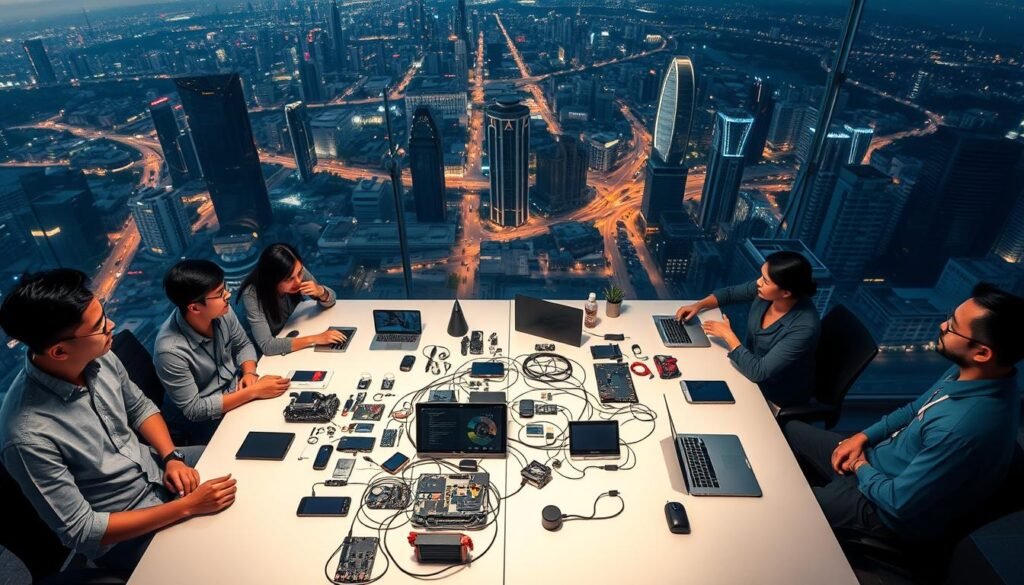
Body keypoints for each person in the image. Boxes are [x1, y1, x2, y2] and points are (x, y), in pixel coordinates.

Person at [0, 269, 237, 575]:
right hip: (126, 529)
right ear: (59, 351)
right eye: (99, 326)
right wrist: (187, 507)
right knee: (224, 562)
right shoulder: (26, 435)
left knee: (242, 461)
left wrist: (172, 457)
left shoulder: (97, 355)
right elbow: (83, 531)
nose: (111, 326)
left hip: (157, 470)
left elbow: (139, 407)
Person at [784, 283, 1024, 542]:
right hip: (874, 460)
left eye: (953, 327)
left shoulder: (963, 427)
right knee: (788, 430)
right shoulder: (970, 374)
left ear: (982, 353)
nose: (943, 327)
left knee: (785, 508)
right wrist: (861, 438)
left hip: (880, 507)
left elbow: (899, 502)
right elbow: (912, 411)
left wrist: (859, 465)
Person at [154, 260, 289, 444]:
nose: (227, 295)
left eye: (223, 288)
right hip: (204, 423)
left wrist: (249, 372)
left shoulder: (221, 310)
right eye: (219, 294)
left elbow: (242, 345)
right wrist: (253, 392)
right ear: (194, 308)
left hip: (237, 392)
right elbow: (195, 409)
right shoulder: (169, 351)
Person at [675, 250, 821, 408]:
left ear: (786, 292)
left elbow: (759, 372)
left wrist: (727, 335)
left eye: (765, 280)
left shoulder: (804, 327)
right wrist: (698, 305)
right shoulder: (767, 293)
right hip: (745, 365)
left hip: (772, 394)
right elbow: (730, 294)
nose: (758, 282)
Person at [238, 243, 343, 356]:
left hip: (295, 332)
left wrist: (321, 292)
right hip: (268, 354)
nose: (298, 281)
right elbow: (267, 346)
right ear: (272, 279)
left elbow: (331, 300)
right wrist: (316, 339)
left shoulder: (295, 270)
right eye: (290, 279)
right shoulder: (251, 295)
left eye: (300, 273)